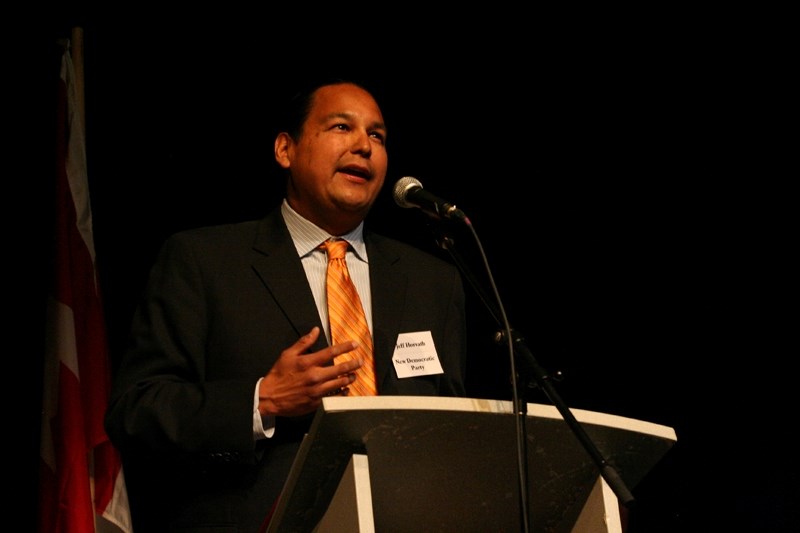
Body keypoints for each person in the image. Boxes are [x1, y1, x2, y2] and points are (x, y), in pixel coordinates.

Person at [104, 78, 468, 532]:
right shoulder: (204, 262)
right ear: (285, 150)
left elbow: (451, 429)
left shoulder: (433, 280)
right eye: (341, 127)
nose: (363, 146)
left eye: (377, 136)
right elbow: (136, 412)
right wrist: (262, 400)